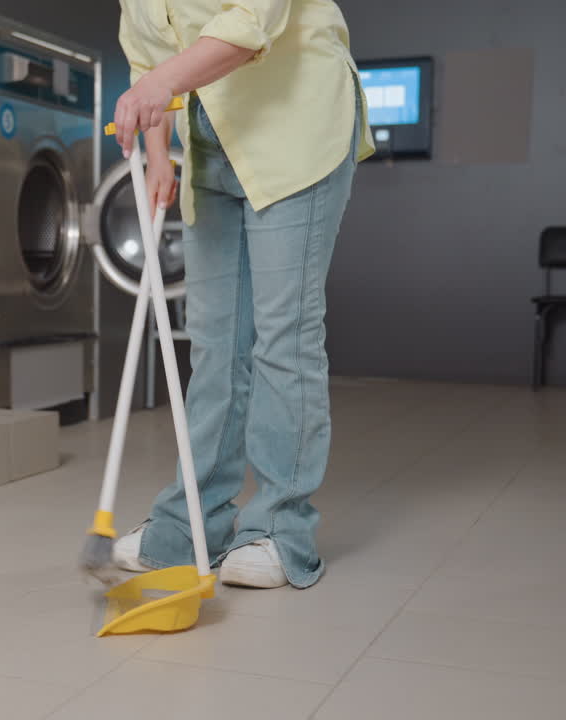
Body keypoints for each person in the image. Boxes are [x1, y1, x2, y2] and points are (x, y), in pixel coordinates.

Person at [110, 0, 374, 589]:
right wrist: (159, 158)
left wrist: (161, 82)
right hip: (209, 142)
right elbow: (148, 59)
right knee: (215, 344)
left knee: (283, 336)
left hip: (294, 124)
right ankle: (188, 528)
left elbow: (252, 24)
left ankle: (281, 532)